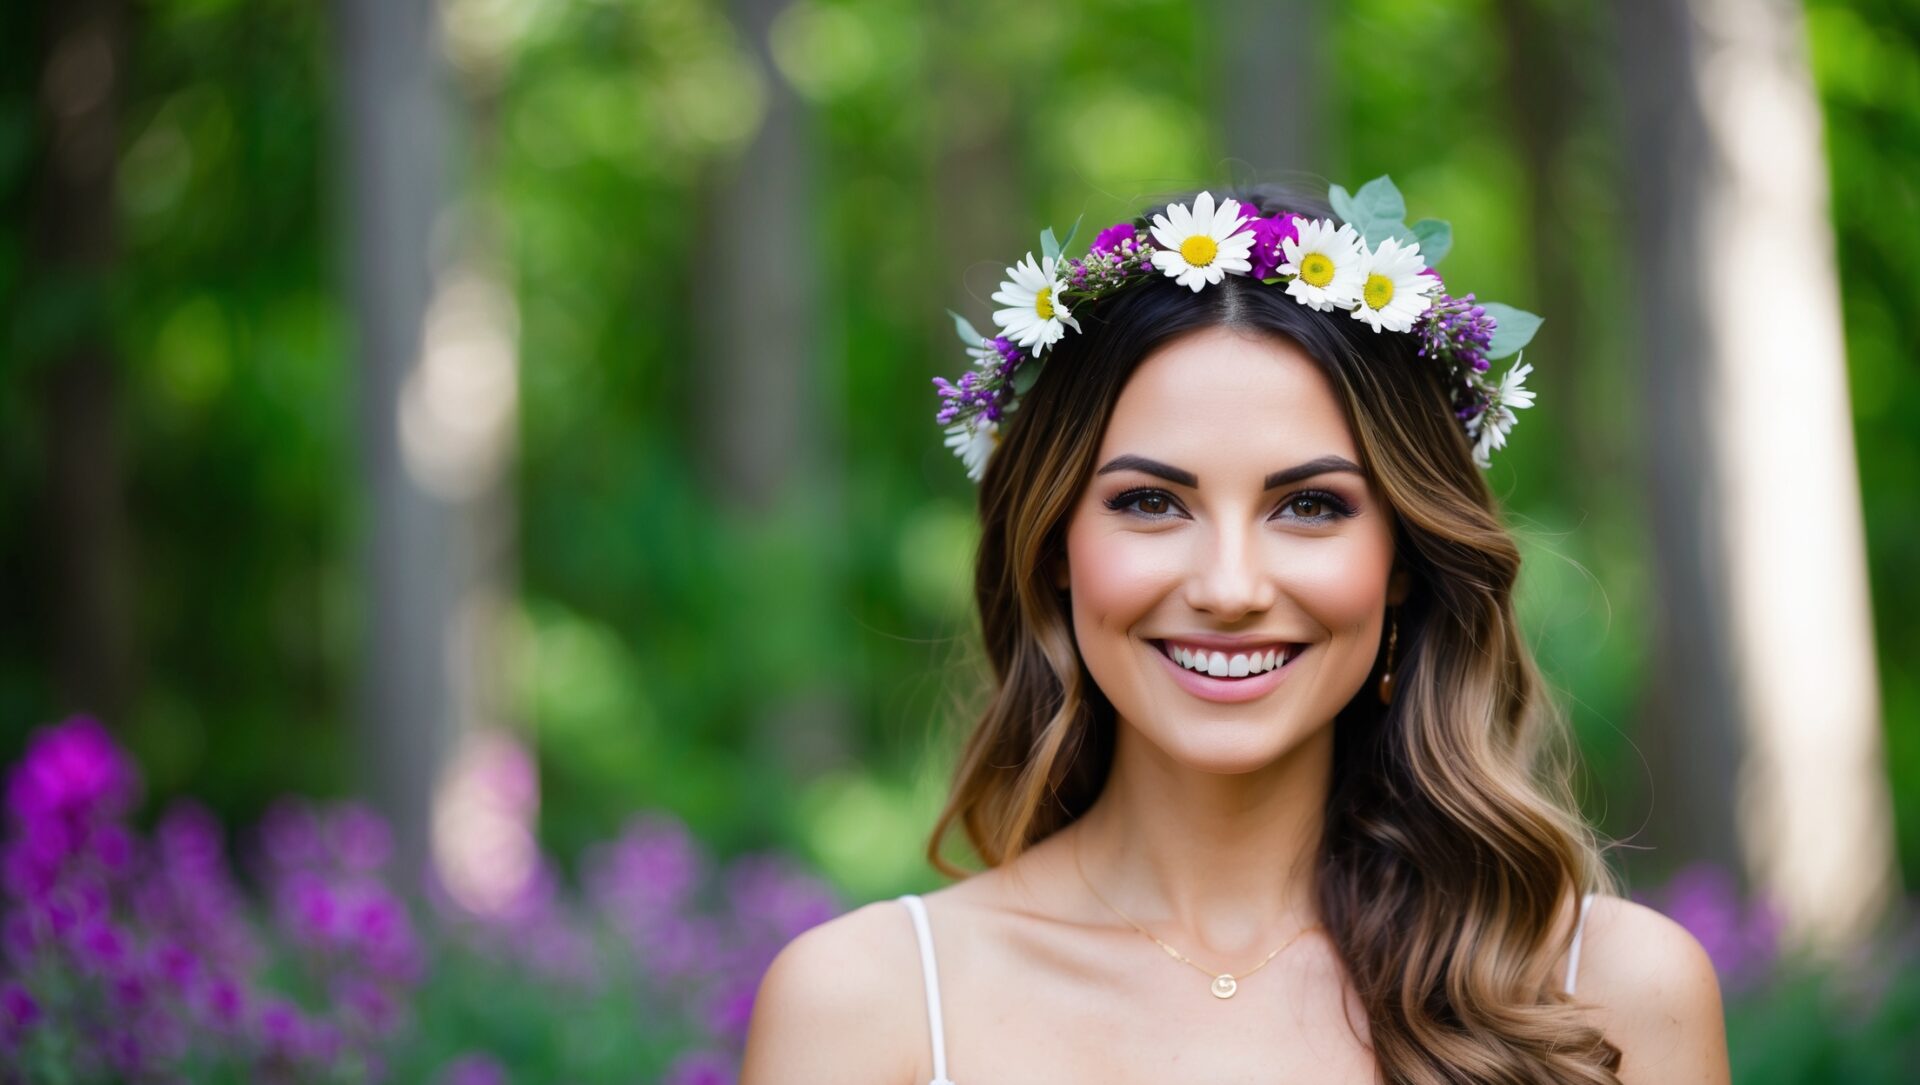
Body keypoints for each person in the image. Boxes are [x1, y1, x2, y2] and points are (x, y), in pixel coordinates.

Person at [740, 182, 1731, 1084]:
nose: (1228, 587)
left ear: (1402, 565)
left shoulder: (1611, 994)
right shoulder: (869, 1004)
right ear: (1053, 546)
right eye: (1149, 502)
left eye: (1308, 506)